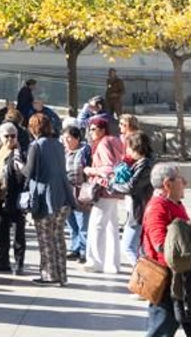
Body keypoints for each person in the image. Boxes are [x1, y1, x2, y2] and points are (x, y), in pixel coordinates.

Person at [141, 163, 191, 337]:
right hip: (168, 282)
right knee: (161, 329)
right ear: (168, 184)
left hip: (186, 280)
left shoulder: (174, 203)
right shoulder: (157, 208)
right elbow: (160, 244)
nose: (186, 183)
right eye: (181, 179)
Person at [23, 112, 75, 286]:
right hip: (63, 196)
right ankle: (62, 275)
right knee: (58, 236)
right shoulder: (58, 145)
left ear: (33, 129)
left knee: (45, 238)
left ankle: (49, 275)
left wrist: (18, 164)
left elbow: (28, 172)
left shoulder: (36, 146)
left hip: (45, 199)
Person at [83, 116, 126, 275]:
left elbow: (109, 168)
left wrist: (90, 170)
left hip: (104, 189)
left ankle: (96, 261)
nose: (91, 132)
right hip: (114, 190)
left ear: (102, 130)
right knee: (111, 227)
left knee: (97, 225)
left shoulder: (103, 144)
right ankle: (112, 263)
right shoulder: (115, 141)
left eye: (94, 129)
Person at [0, 121, 28, 274]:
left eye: (13, 136)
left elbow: (24, 176)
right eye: (6, 136)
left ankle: (19, 263)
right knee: (1, 231)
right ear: (0, 137)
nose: (10, 139)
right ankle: (3, 261)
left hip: (14, 198)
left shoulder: (20, 153)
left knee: (18, 233)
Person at [121, 130, 156, 265]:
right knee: (141, 248)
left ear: (136, 148)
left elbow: (131, 186)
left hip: (140, 210)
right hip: (139, 209)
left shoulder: (145, 165)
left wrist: (112, 184)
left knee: (128, 246)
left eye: (129, 147)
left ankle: (144, 275)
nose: (127, 151)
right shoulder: (143, 163)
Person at [62, 123, 92, 261]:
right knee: (71, 222)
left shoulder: (85, 151)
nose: (66, 141)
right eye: (64, 138)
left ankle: (84, 251)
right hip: (67, 191)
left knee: (83, 223)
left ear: (77, 138)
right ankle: (75, 247)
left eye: (69, 138)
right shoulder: (63, 152)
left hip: (81, 192)